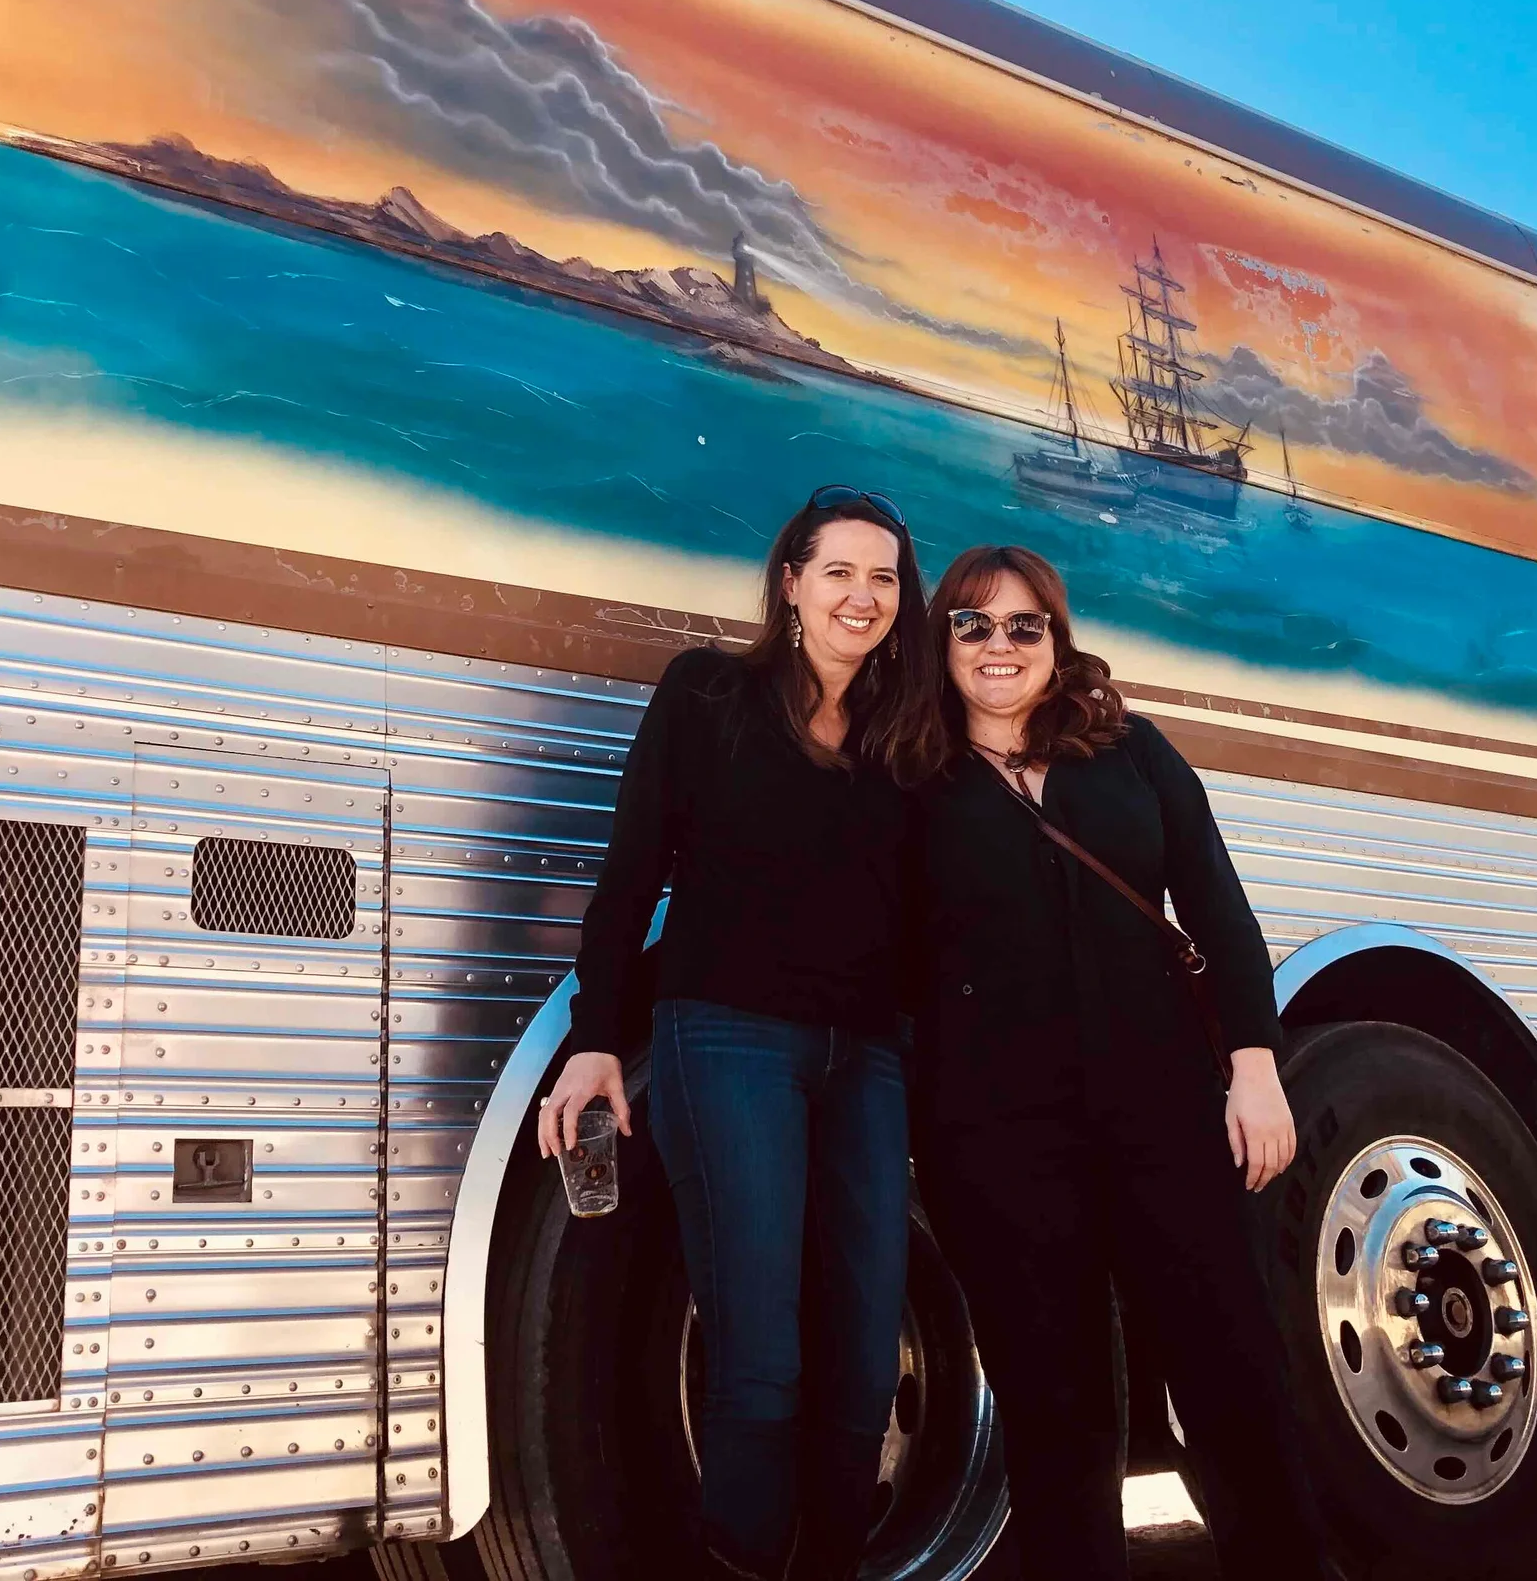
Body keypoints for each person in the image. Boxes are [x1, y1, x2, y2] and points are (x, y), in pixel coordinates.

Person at [907, 543, 1334, 1580]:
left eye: (1024, 626)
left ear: (1057, 641)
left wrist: (1254, 1063)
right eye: (972, 625)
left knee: (1234, 1375)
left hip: (1167, 1115)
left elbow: (1217, 906)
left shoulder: (1131, 751)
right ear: (940, 643)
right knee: (1054, 1409)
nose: (998, 646)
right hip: (996, 1137)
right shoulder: (907, 776)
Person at [537, 485, 940, 1581]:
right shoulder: (707, 693)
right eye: (841, 572)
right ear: (791, 582)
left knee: (863, 1358)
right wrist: (596, 1040)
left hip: (866, 1060)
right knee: (759, 1354)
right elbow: (629, 877)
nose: (864, 597)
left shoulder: (912, 741)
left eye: (886, 578)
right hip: (729, 1042)